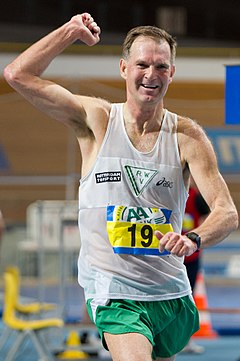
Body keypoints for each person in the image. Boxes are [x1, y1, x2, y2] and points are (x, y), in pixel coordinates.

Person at [3, 12, 238, 361]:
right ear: (123, 68)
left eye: (161, 67)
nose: (151, 75)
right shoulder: (96, 119)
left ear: (172, 73)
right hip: (113, 290)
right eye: (142, 64)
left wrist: (192, 238)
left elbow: (227, 212)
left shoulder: (187, 137)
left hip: (169, 292)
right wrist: (70, 32)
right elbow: (17, 74)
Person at [181, 180, 210, 354]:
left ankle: (186, 340)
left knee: (188, 300)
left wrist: (198, 240)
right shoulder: (164, 192)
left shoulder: (197, 198)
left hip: (190, 258)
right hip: (167, 258)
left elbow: (207, 220)